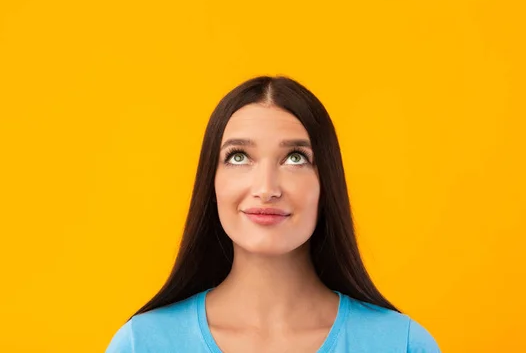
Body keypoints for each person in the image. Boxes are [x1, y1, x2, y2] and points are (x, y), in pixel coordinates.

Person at [105, 76, 441, 352]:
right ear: (212, 182)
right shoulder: (141, 345)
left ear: (327, 185)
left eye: (295, 158)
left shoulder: (404, 345)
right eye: (239, 157)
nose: (266, 188)